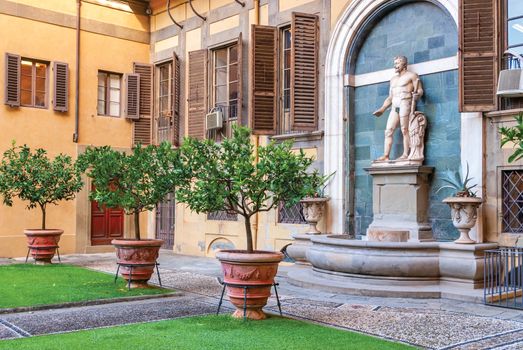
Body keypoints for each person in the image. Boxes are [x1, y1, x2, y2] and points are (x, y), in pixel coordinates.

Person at [373, 56, 423, 161]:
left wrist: (417, 94)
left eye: (397, 63)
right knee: (388, 130)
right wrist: (382, 109)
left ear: (404, 64)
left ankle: (405, 154)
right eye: (394, 63)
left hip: (405, 103)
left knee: (405, 129)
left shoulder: (412, 76)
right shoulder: (393, 80)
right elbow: (390, 97)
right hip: (394, 106)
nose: (395, 66)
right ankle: (386, 156)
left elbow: (419, 90)